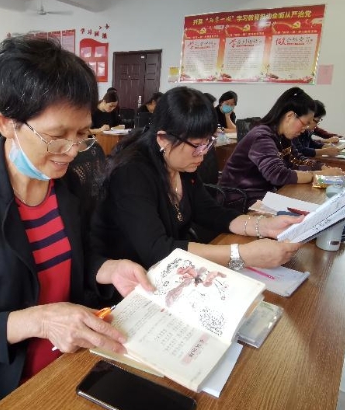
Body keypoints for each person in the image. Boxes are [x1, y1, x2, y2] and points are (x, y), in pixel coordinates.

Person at [0, 36, 152, 410]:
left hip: (76, 358)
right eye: (56, 136)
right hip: (10, 381)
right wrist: (40, 319)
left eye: (82, 133)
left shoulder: (67, 184)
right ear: (7, 123)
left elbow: (74, 257)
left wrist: (108, 268)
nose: (72, 150)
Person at [91, 86, 304, 285]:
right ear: (163, 139)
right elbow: (156, 250)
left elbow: (210, 211)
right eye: (196, 145)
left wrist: (263, 226)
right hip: (132, 282)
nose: (202, 154)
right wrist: (241, 255)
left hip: (172, 271)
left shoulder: (180, 166)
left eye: (207, 143)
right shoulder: (132, 172)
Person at [219, 87, 344, 205]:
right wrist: (316, 175)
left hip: (262, 195)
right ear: (290, 116)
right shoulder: (262, 136)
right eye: (305, 124)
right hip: (238, 200)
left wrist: (322, 168)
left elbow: (295, 160)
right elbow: (277, 175)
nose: (305, 129)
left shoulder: (282, 136)